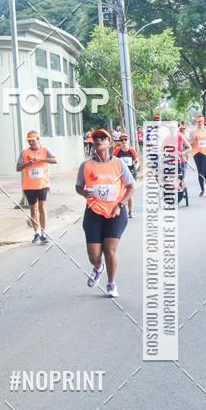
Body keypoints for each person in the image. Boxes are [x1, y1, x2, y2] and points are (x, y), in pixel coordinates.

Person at [75, 128, 135, 298]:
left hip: (115, 212)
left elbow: (131, 187)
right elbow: (78, 186)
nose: (99, 140)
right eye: (96, 138)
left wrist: (121, 204)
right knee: (94, 255)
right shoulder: (86, 166)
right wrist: (83, 192)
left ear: (109, 142)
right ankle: (98, 267)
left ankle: (111, 283)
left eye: (103, 137)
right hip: (93, 212)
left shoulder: (118, 164)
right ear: (93, 143)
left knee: (109, 249)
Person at [16, 131, 57, 244]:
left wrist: (41, 159)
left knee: (42, 208)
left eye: (33, 140)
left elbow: (55, 160)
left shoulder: (45, 150)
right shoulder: (24, 152)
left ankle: (44, 233)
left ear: (38, 139)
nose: (31, 142)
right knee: (33, 210)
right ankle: (37, 233)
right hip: (29, 186)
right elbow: (18, 168)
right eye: (29, 141)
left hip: (43, 184)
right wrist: (27, 164)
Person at [113, 133, 139, 217]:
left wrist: (136, 166)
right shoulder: (117, 151)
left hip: (131, 173)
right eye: (122, 140)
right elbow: (112, 161)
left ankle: (130, 211)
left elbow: (137, 161)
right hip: (120, 174)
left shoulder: (132, 150)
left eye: (125, 140)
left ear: (128, 141)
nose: (124, 141)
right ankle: (119, 210)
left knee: (129, 193)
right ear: (120, 142)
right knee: (120, 192)